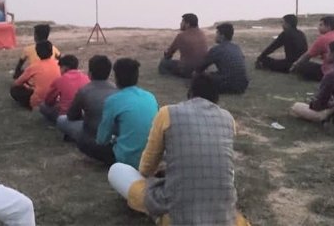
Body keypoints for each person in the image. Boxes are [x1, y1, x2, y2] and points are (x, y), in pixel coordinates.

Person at [107, 74, 250, 226]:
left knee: (117, 170)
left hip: (178, 216)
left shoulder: (167, 113)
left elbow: (146, 168)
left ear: (190, 93)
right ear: (217, 99)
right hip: (224, 216)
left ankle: (159, 217)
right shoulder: (228, 119)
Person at [96, 58, 158, 168]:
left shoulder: (113, 100)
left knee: (85, 141)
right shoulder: (150, 96)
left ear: (116, 78)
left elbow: (102, 140)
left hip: (128, 160)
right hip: (152, 158)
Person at [59, 55, 118, 164]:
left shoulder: (84, 91)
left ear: (90, 74)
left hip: (92, 137)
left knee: (62, 120)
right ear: (109, 73)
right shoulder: (116, 89)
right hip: (113, 136)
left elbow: (71, 116)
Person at [290, 15, 334, 82]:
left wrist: (295, 65)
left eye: (321, 25)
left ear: (328, 27)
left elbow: (307, 55)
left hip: (332, 72)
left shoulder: (323, 39)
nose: (319, 27)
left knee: (303, 66)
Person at [195, 23, 249, 94]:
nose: (216, 36)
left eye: (217, 33)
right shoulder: (236, 47)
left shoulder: (217, 49)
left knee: (202, 78)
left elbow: (200, 68)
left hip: (227, 85)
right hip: (242, 85)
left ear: (222, 36)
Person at [40, 55, 91, 123]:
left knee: (43, 106)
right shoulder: (86, 78)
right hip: (83, 114)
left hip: (66, 116)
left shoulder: (60, 80)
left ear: (64, 67)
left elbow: (48, 101)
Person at [10, 41, 61, 110]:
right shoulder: (59, 64)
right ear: (52, 52)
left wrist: (27, 86)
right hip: (57, 98)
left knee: (14, 90)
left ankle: (30, 105)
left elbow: (17, 83)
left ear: (37, 53)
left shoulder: (34, 67)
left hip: (38, 101)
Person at [158, 13, 208, 78]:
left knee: (163, 63)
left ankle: (170, 76)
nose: (180, 24)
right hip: (201, 69)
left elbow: (169, 53)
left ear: (187, 24)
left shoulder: (181, 36)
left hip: (187, 70)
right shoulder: (202, 34)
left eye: (182, 22)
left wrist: (166, 56)